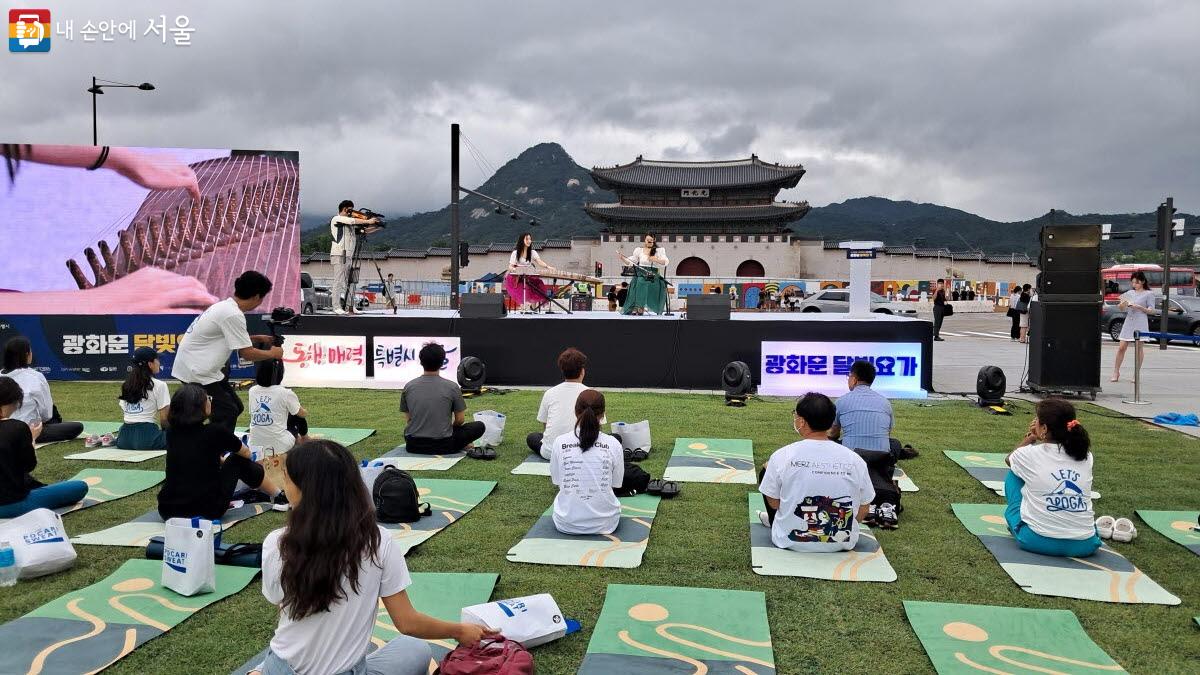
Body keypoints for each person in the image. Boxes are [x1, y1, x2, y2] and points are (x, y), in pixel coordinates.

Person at [249, 440, 497, 675]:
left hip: (279, 667)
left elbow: (282, 607)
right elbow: (407, 622)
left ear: (305, 490)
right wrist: (460, 630)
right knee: (415, 649)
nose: (284, 486)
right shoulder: (378, 540)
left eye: (287, 480)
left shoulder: (277, 542)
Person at [757, 392, 875, 551]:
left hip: (789, 541)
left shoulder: (782, 456)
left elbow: (774, 502)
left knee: (767, 471)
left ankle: (777, 524)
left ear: (802, 422)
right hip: (842, 543)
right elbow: (863, 509)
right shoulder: (855, 460)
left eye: (796, 415)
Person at [172, 271, 284, 434]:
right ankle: (217, 450)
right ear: (257, 296)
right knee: (227, 412)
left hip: (200, 368)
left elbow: (225, 337)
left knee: (235, 407)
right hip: (197, 372)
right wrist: (273, 354)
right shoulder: (232, 314)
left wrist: (258, 338)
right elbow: (247, 353)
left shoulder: (225, 307)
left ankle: (209, 440)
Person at [157, 383, 286, 520]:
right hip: (208, 509)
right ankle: (279, 496)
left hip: (168, 510)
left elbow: (191, 455)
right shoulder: (215, 431)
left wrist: (221, 462)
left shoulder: (171, 432)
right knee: (237, 460)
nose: (210, 402)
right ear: (200, 407)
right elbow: (246, 454)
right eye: (208, 399)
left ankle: (274, 494)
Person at [1004, 398, 1101, 557]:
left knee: (1013, 474)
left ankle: (1020, 522)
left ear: (1044, 428)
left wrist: (1031, 438)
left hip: (1036, 540)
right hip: (1086, 544)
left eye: (1037, 420)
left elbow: (1010, 459)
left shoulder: (1029, 454)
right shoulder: (1086, 456)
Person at [0, 377, 89, 518]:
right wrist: (32, 439)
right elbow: (29, 465)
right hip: (11, 504)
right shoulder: (17, 427)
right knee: (79, 487)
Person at [829, 360, 899, 528]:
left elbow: (833, 433)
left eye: (848, 377)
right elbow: (886, 434)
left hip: (852, 456)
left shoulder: (842, 401)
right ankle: (884, 503)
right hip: (881, 456)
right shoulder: (885, 402)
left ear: (853, 378)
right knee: (895, 444)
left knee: (832, 444)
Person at [549, 389, 624, 535]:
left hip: (566, 523)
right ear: (602, 415)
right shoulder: (614, 443)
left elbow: (557, 480)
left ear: (576, 411)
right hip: (606, 524)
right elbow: (616, 484)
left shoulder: (560, 442)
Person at [400, 343, 485, 455]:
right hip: (444, 445)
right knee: (479, 426)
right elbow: (460, 420)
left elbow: (409, 420)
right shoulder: (452, 387)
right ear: (442, 362)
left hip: (413, 445)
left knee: (409, 430)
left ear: (421, 362)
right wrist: (450, 430)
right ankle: (462, 443)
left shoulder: (409, 386)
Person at [0, 337, 83, 443]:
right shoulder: (35, 377)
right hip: (28, 431)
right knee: (75, 426)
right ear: (27, 355)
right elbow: (46, 415)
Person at [527, 348, 596, 459]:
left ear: (562, 371)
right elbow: (597, 428)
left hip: (553, 452)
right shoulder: (593, 394)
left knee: (533, 437)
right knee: (615, 438)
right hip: (585, 451)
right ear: (582, 371)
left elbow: (545, 426)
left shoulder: (550, 393)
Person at [330, 200, 382, 315]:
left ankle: (350, 306)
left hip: (349, 255)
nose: (352, 212)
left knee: (351, 282)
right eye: (350, 210)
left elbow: (363, 231)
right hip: (339, 254)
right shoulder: (337, 219)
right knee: (338, 282)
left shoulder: (350, 225)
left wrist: (377, 226)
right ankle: (336, 307)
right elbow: (352, 220)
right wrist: (367, 220)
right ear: (344, 209)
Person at [249, 359, 309, 456]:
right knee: (296, 414)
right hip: (280, 446)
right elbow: (302, 414)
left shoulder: (252, 390)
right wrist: (304, 410)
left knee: (287, 412)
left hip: (255, 446)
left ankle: (300, 438)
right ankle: (304, 438)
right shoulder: (285, 393)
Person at [115, 346, 171, 450]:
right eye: (157, 360)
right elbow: (164, 419)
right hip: (147, 437)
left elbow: (126, 412)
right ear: (150, 364)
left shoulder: (126, 384)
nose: (159, 363)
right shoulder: (160, 385)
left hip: (123, 439)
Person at [1111, 270, 1156, 382]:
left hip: (1140, 321)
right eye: (1133, 282)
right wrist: (1123, 304)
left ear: (1142, 282)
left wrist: (1139, 307)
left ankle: (1136, 374)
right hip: (1129, 320)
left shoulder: (1149, 294)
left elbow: (1151, 310)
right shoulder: (1130, 293)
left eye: (1136, 282)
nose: (1134, 284)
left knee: (1138, 349)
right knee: (1121, 347)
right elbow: (1121, 308)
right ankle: (1116, 372)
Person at [617, 234, 669, 315]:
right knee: (636, 283)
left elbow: (665, 262)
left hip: (652, 275)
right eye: (647, 240)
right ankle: (637, 307)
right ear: (644, 240)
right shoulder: (639, 250)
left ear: (654, 240)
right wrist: (622, 258)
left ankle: (639, 307)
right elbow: (631, 261)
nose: (649, 242)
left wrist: (656, 259)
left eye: (651, 240)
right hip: (640, 272)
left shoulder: (659, 250)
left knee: (641, 281)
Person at [505, 232, 553, 311]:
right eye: (527, 239)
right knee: (521, 288)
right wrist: (514, 269)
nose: (529, 241)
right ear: (522, 240)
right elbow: (510, 266)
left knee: (537, 284)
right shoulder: (515, 253)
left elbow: (539, 261)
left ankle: (533, 307)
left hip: (528, 274)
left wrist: (547, 266)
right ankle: (523, 307)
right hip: (518, 275)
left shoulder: (532, 252)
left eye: (530, 239)